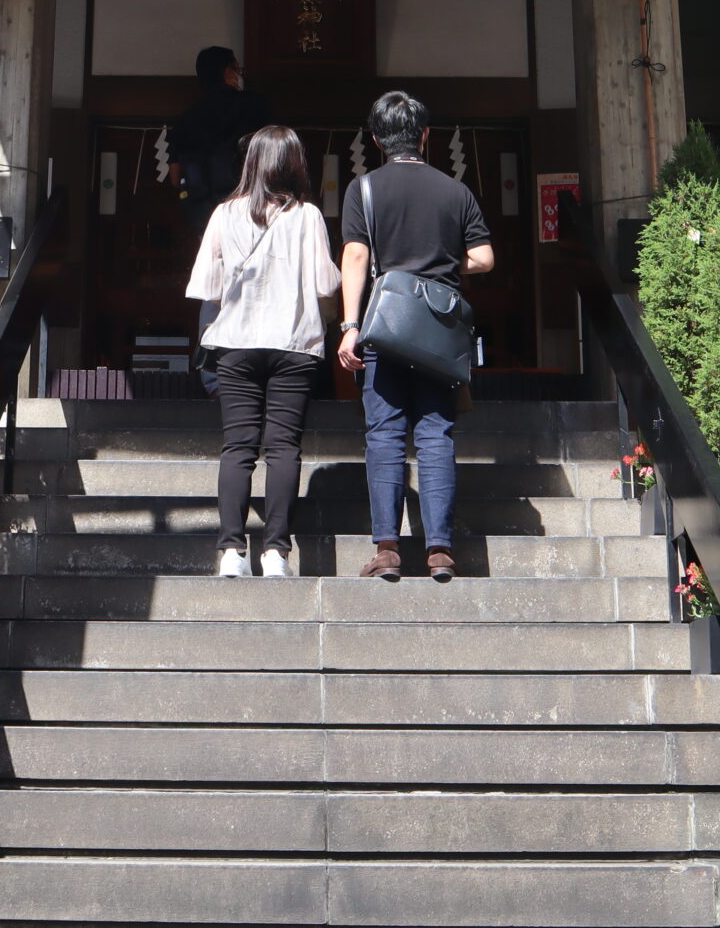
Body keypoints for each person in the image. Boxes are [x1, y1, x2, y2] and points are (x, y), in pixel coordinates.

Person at [337, 91, 493, 581]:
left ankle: (387, 549)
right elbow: (484, 258)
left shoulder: (363, 189)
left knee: (384, 435)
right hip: (438, 332)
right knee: (435, 434)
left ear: (378, 140)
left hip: (385, 330)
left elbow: (357, 258)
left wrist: (349, 327)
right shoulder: (455, 191)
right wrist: (444, 266)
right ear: (426, 136)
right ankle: (440, 551)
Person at [187, 126, 340, 577]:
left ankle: (231, 552)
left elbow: (206, 286)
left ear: (251, 162)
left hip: (236, 343)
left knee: (237, 446)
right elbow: (325, 283)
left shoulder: (225, 213)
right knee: (283, 448)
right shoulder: (308, 216)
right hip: (293, 342)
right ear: (293, 164)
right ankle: (276, 551)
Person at [168, 46, 271, 238]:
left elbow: (175, 177)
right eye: (238, 70)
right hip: (247, 213)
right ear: (228, 72)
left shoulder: (184, 120)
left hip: (203, 218)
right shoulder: (254, 106)